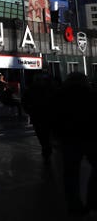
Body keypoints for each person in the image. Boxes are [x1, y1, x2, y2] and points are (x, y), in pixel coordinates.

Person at [52, 72, 97, 216]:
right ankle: (93, 200)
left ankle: (74, 205)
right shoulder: (91, 94)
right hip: (90, 137)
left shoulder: (59, 96)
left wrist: (56, 137)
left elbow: (53, 119)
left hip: (69, 139)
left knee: (71, 174)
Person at [21, 71, 54, 161]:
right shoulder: (49, 89)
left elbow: (24, 102)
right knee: (46, 135)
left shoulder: (31, 90)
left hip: (38, 116)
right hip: (46, 116)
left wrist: (30, 111)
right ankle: (47, 149)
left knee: (42, 135)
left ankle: (46, 150)